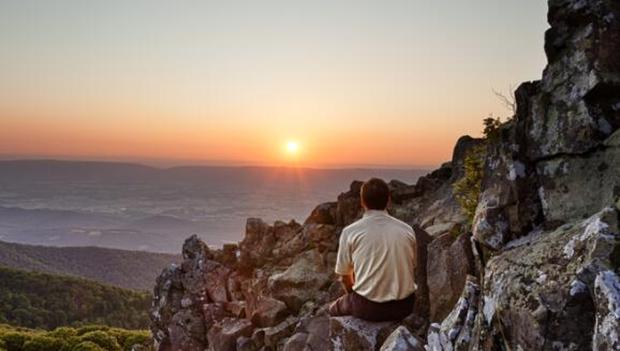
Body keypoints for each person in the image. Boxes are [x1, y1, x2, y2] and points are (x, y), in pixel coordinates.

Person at [329, 178, 417, 322]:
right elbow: (412, 266)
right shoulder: (407, 230)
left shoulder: (350, 232)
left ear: (362, 202)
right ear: (388, 200)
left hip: (368, 308)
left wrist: (353, 294)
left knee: (332, 308)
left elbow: (344, 276)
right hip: (405, 307)